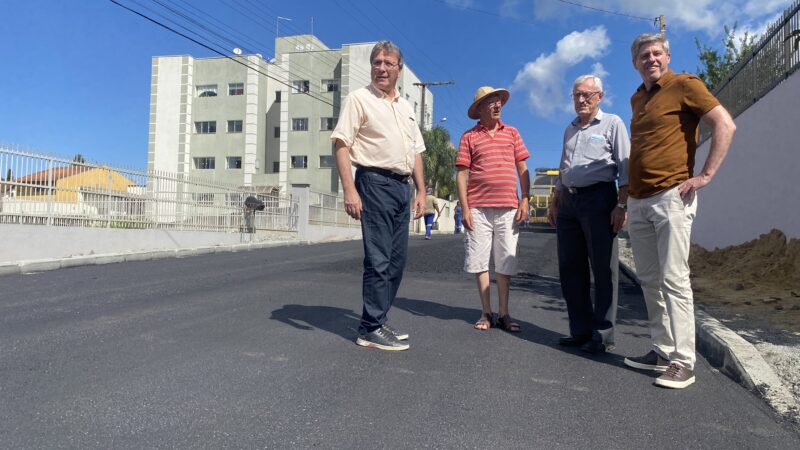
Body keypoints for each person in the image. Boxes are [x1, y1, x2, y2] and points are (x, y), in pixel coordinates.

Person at [623, 33, 736, 388]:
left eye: (657, 53)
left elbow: (725, 124)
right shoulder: (638, 98)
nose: (651, 59)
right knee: (651, 281)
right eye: (644, 55)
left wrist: (705, 175)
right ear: (635, 62)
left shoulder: (685, 84)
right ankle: (661, 349)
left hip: (672, 195)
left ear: (667, 57)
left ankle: (684, 361)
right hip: (639, 202)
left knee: (674, 279)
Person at [331, 40, 427, 352]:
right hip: (374, 183)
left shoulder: (405, 106)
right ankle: (369, 327)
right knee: (379, 260)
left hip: (402, 187)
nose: (381, 68)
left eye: (388, 63)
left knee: (397, 262)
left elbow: (415, 152)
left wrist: (422, 191)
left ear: (399, 69)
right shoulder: (358, 99)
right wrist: (350, 189)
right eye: (377, 62)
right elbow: (341, 144)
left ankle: (380, 319)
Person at [549, 75, 630, 354]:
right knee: (571, 268)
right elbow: (563, 168)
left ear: (600, 97)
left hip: (599, 199)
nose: (581, 100)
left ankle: (602, 335)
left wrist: (621, 205)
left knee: (603, 268)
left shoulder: (613, 124)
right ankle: (580, 331)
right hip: (569, 204)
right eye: (576, 95)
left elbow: (625, 167)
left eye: (587, 95)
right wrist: (555, 200)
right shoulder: (569, 129)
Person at [456, 86, 530, 332]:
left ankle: (504, 313)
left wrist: (525, 199)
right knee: (479, 260)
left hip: (508, 208)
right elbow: (462, 174)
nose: (497, 105)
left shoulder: (513, 133)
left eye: (499, 101)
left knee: (506, 261)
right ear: (479, 109)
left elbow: (522, 169)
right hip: (477, 208)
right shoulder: (469, 137)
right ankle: (486, 311)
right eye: (491, 102)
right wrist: (465, 208)